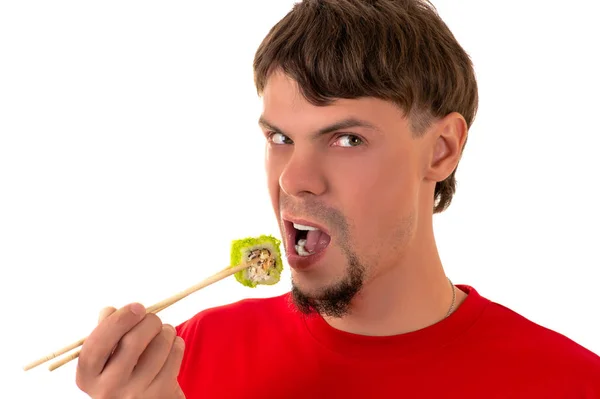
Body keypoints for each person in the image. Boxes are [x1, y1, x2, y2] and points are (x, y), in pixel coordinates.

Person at [74, 1, 600, 398]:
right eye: (280, 139)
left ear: (441, 150)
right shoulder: (183, 359)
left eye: (347, 139)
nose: (294, 181)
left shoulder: (571, 383)